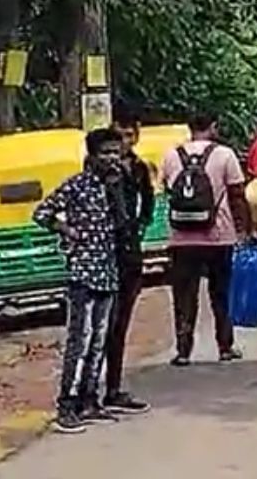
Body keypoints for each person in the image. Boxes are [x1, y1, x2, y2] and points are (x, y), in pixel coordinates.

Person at [33, 128, 127, 433]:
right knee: (80, 339)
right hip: (82, 273)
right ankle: (67, 404)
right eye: (106, 153)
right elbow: (42, 212)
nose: (112, 158)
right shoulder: (76, 186)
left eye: (115, 152)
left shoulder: (116, 186)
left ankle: (90, 399)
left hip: (108, 271)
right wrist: (68, 231)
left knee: (100, 340)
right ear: (91, 156)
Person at [161, 112, 251, 366]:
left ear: (189, 128)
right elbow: (236, 194)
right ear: (213, 127)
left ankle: (183, 350)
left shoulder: (171, 155)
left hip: (180, 237)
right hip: (219, 235)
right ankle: (225, 346)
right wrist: (244, 229)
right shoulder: (225, 154)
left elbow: (168, 190)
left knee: (183, 295)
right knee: (220, 293)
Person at [103, 110, 155, 414]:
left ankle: (113, 386)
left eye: (129, 136)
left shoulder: (137, 168)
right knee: (100, 325)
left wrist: (138, 226)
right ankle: (88, 390)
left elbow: (147, 201)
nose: (124, 142)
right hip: (103, 255)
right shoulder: (101, 169)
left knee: (119, 324)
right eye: (119, 135)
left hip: (129, 253)